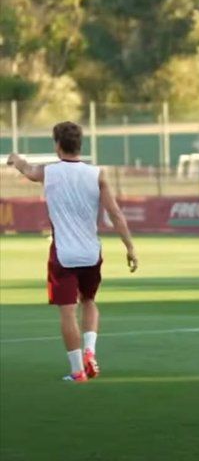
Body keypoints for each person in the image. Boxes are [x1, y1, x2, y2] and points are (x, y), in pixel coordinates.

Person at [6, 121, 137, 383]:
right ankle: (90, 350)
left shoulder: (50, 172)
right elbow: (116, 214)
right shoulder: (97, 174)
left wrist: (15, 159)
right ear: (80, 145)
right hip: (91, 252)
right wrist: (130, 247)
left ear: (57, 145)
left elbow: (29, 170)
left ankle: (78, 371)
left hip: (63, 254)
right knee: (88, 301)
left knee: (67, 312)